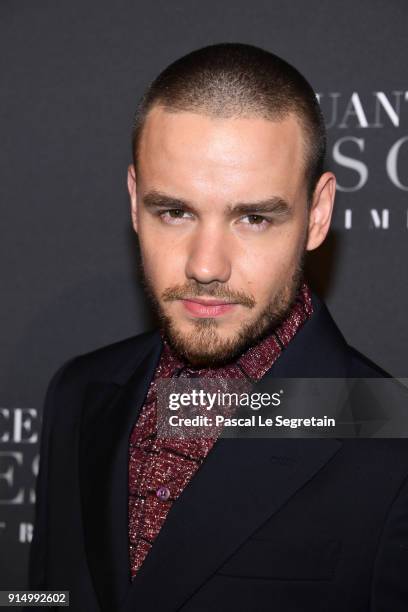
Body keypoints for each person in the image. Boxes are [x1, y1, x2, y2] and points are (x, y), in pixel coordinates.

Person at [27, 43, 408, 612]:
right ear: (134, 202)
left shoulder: (391, 443)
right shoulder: (79, 392)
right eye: (174, 212)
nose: (206, 265)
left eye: (253, 218)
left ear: (318, 214)